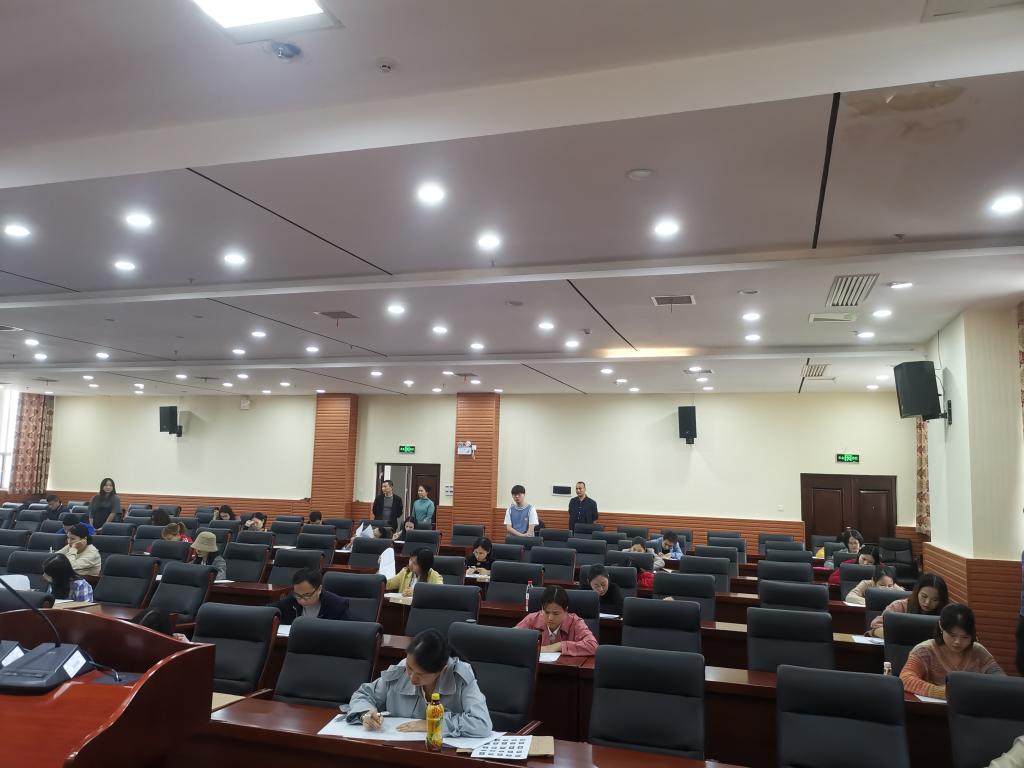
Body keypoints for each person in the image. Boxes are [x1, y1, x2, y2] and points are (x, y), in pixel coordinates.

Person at [347, 628, 492, 737]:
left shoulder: (461, 678)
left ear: (442, 670)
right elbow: (363, 695)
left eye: (421, 674)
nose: (412, 677)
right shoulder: (401, 670)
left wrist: (433, 724)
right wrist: (365, 713)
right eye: (410, 668)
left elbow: (482, 723)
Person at [900, 603, 1004, 699]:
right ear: (941, 626)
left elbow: (1002, 681)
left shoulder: (978, 651)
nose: (958, 642)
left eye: (965, 637)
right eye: (952, 635)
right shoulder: (924, 651)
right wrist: (943, 692)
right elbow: (905, 678)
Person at [515, 586, 598, 656]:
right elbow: (512, 640)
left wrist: (559, 646)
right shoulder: (532, 619)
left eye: (556, 613)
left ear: (566, 611)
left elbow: (593, 646)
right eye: (546, 612)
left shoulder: (575, 622)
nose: (550, 618)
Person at [869, 572, 949, 638]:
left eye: (935, 600)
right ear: (917, 592)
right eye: (924, 596)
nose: (927, 602)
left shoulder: (946, 613)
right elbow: (876, 626)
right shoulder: (899, 606)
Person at [270, 567, 350, 625]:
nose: (301, 600)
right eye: (298, 595)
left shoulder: (337, 605)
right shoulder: (292, 599)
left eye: (306, 595)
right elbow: (268, 611)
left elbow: (349, 631)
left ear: (319, 589)